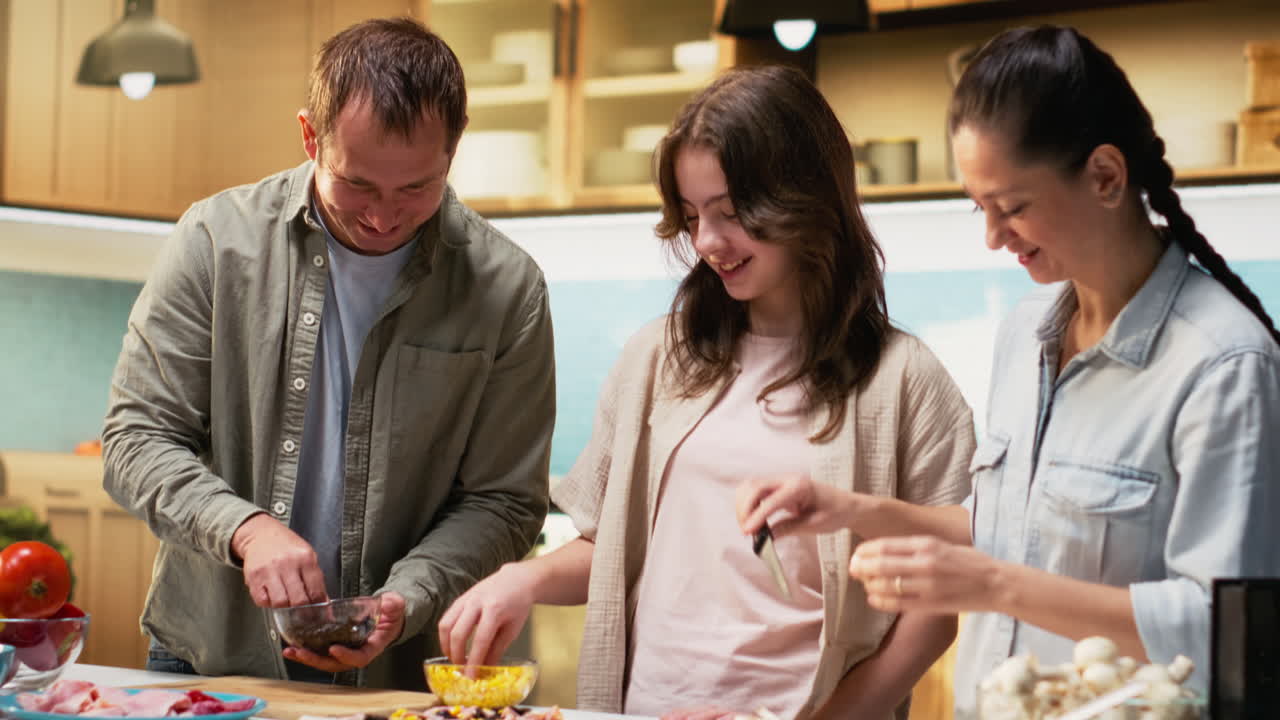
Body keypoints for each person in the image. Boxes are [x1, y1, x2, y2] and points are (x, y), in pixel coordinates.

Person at [736, 25, 1280, 720]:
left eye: (1013, 208)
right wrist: (851, 511)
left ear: (1106, 176)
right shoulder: (1025, 333)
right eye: (980, 208)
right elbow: (1016, 524)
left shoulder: (1225, 365)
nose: (993, 237)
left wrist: (993, 585)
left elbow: (1225, 630)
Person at [437, 65, 975, 720]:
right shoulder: (656, 359)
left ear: (805, 198)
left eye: (731, 213)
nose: (707, 243)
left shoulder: (904, 379)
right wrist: (524, 579)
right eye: (692, 216)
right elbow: (610, 548)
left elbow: (936, 607)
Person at [101, 17, 555, 690]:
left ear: (454, 147)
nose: (384, 217)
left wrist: (409, 595)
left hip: (396, 670)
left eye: (416, 188)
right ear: (310, 136)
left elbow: (504, 501)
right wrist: (246, 529)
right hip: (210, 653)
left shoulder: (508, 288)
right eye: (359, 184)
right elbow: (135, 439)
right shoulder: (215, 241)